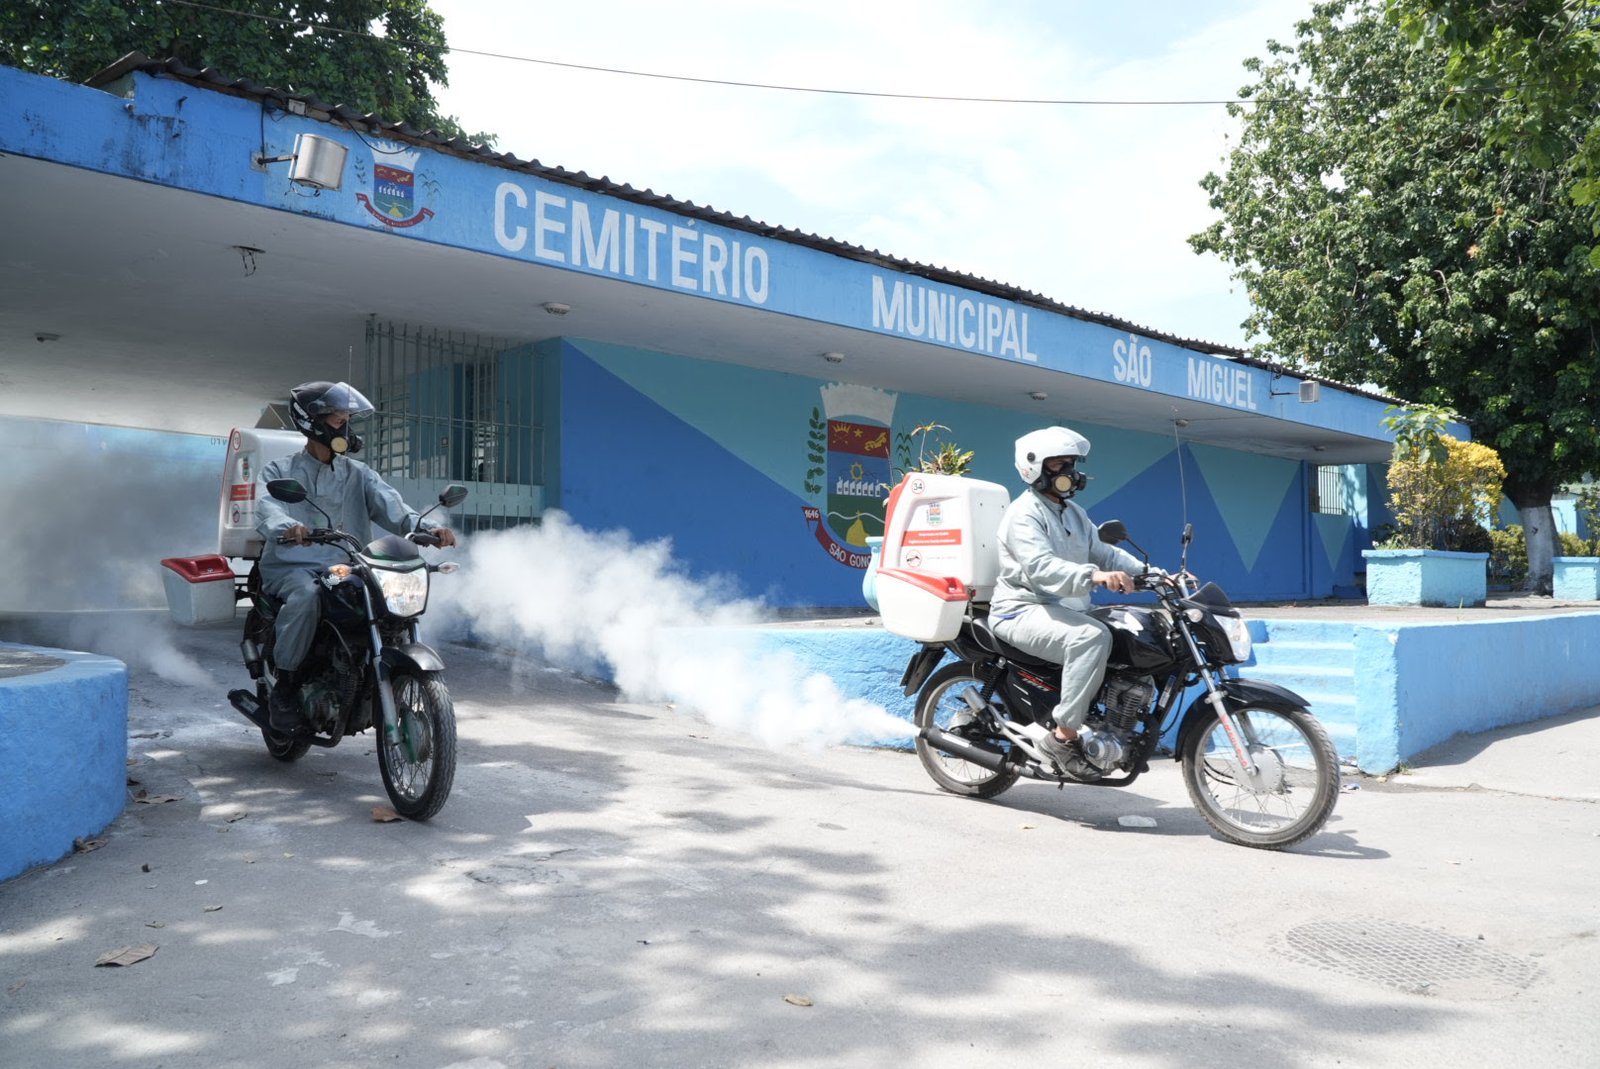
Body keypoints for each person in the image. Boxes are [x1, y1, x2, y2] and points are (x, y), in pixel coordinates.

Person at [254, 381, 457, 733]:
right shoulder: (279, 470)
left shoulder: (358, 474)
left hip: (348, 566)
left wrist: (430, 528)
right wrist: (288, 526)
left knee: (385, 602)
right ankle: (285, 686)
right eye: (337, 420)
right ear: (313, 422)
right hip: (294, 565)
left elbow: (396, 509)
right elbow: (266, 507)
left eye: (348, 420)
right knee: (307, 596)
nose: (346, 429)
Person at [989, 426, 1146, 772]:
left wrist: (1153, 573)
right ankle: (1062, 737)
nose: (1070, 474)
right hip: (1021, 609)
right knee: (1090, 637)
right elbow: (1041, 568)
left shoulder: (1073, 513)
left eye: (1071, 465)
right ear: (1035, 468)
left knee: (1135, 632)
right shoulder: (1024, 514)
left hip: (1065, 607)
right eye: (1060, 465)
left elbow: (1105, 553)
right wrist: (1093, 576)